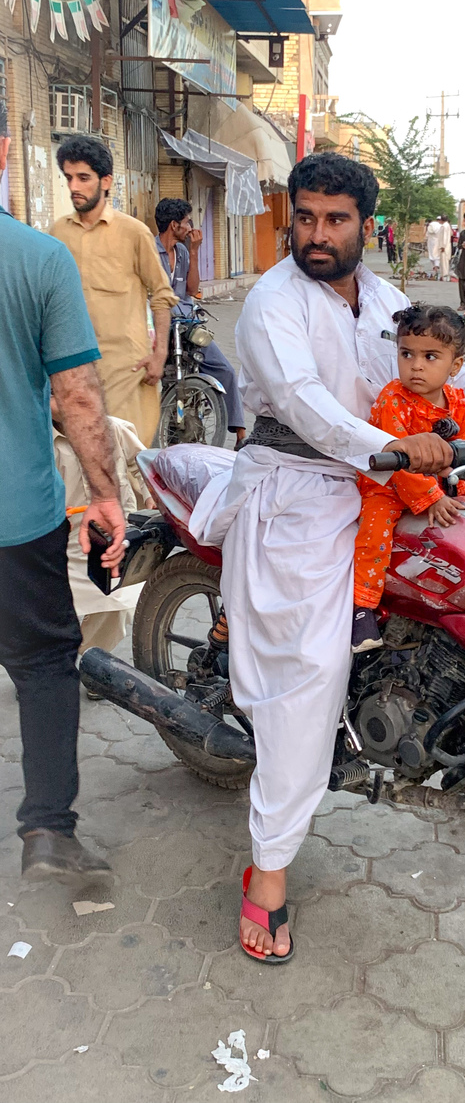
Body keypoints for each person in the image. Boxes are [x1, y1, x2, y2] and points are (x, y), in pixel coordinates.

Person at [188, 150, 465, 963]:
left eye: (335, 220)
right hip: (297, 492)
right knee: (311, 676)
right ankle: (268, 871)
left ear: (365, 226)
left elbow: (456, 384)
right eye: (305, 217)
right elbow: (303, 404)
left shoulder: (382, 299)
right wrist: (395, 448)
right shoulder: (272, 303)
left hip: (390, 481)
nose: (317, 233)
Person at [0, 100, 126, 883]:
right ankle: (47, 829)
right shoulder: (38, 258)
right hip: (15, 519)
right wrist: (106, 496)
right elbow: (77, 395)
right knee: (45, 664)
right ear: (3, 150)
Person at [352, 304, 465, 652]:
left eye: (430, 356)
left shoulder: (457, 402)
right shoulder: (393, 399)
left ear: (455, 365)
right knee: (374, 532)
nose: (416, 365)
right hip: (387, 485)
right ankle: (361, 608)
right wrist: (431, 497)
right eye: (406, 354)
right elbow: (400, 460)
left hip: (436, 488)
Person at [50, 136, 177, 445]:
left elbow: (161, 295)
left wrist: (159, 354)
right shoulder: (57, 233)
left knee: (125, 457)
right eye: (69, 177)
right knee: (77, 459)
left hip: (125, 370)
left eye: (83, 178)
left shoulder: (134, 232)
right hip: (72, 370)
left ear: (105, 181)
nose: (74, 187)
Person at [52, 399, 151, 656]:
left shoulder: (114, 429)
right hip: (65, 546)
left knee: (118, 605)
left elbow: (143, 464)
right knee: (48, 613)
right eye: (52, 394)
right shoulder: (39, 445)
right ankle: (48, 663)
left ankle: (87, 658)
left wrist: (151, 494)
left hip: (112, 540)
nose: (63, 400)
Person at [154, 198, 246, 442]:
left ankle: (240, 433)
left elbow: (192, 289)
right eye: (187, 222)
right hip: (159, 325)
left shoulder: (183, 252)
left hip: (186, 323)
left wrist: (194, 252)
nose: (190, 227)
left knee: (225, 369)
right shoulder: (150, 251)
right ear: (174, 225)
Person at [438, 215, 453, 281]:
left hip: (444, 246)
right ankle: (444, 275)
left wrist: (443, 246)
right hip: (447, 245)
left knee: (444, 262)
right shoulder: (448, 225)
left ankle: (444, 276)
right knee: (445, 261)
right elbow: (451, 234)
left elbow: (444, 237)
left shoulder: (444, 226)